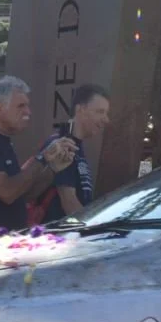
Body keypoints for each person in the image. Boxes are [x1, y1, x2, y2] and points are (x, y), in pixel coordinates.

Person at [0, 76, 77, 234]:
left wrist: (53, 168)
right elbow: (8, 192)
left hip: (4, 242)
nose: (28, 111)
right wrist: (42, 158)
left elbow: (23, 195)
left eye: (27, 106)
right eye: (21, 106)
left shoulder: (2, 141)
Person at [38, 83, 110, 224]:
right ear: (80, 110)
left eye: (106, 113)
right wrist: (92, 232)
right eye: (100, 112)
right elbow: (69, 202)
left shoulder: (75, 145)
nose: (106, 119)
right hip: (59, 240)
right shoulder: (64, 144)